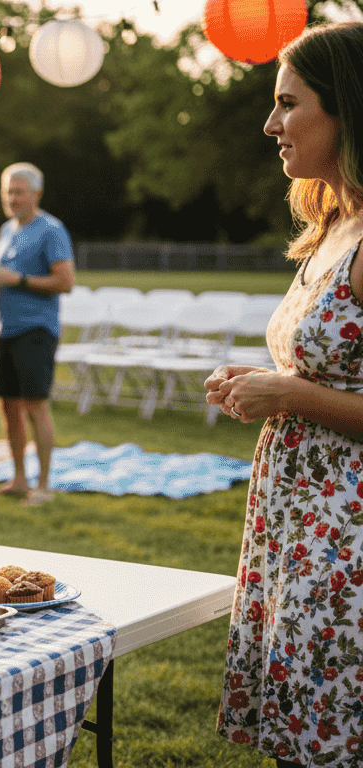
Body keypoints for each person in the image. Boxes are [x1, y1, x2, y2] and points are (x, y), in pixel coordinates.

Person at [203, 22, 363, 768]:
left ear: (347, 109)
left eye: (287, 103)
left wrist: (288, 395)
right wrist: (258, 383)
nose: (271, 123)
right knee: (300, 728)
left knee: (333, 733)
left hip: (347, 535)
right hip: (298, 520)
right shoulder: (331, 223)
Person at [0, 162, 75, 506]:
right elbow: (7, 274)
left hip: (37, 329)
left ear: (36, 193)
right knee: (7, 406)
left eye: (19, 192)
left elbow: (65, 281)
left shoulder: (51, 230)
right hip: (6, 329)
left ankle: (44, 485)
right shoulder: (7, 230)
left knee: (35, 405)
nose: (12, 198)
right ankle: (18, 479)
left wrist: (16, 280)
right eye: (8, 192)